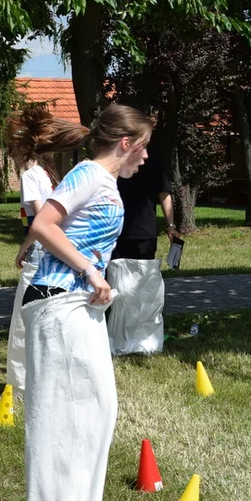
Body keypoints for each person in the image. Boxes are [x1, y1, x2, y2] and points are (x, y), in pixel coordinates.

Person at [7, 103, 152, 501]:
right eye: (143, 148)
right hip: (59, 302)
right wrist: (91, 271)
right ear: (126, 144)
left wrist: (34, 252)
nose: (145, 158)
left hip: (76, 304)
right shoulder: (89, 173)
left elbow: (48, 230)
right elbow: (43, 222)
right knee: (62, 415)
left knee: (98, 411)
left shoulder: (101, 181)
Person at [105, 142, 180, 355]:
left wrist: (171, 225)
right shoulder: (113, 159)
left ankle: (141, 337)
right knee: (119, 288)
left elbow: (164, 194)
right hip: (116, 232)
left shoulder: (152, 160)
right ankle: (120, 335)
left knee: (143, 288)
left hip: (143, 232)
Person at [6, 141, 57, 400]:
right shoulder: (44, 173)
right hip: (47, 249)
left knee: (25, 312)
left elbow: (40, 219)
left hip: (38, 248)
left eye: (12, 151)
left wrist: (23, 248)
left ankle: (24, 383)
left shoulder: (28, 176)